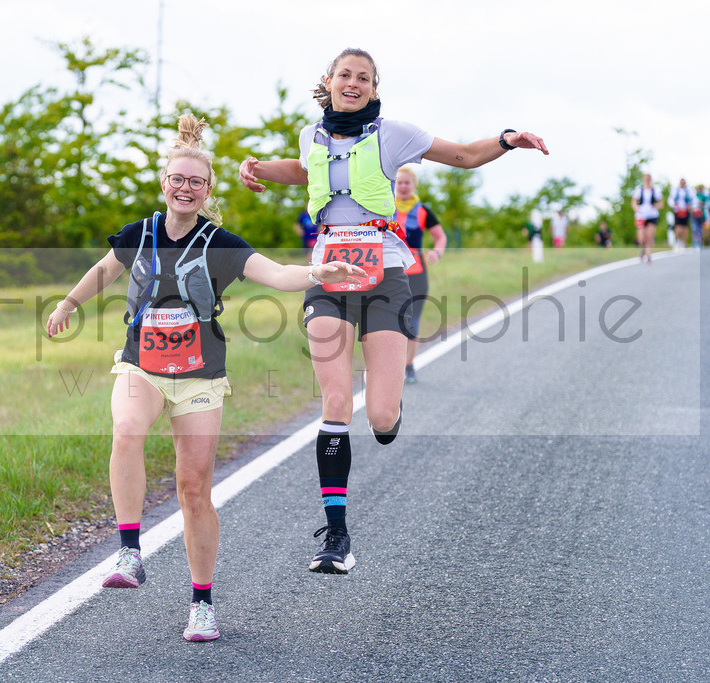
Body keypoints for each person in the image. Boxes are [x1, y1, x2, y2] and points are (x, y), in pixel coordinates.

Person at [46, 114, 364, 641]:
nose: (186, 188)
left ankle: (202, 602)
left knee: (194, 489)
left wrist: (317, 273)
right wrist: (68, 304)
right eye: (178, 179)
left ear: (207, 189)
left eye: (196, 181)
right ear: (164, 183)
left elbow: (277, 274)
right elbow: (104, 270)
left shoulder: (220, 243)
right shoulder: (138, 234)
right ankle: (129, 551)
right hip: (141, 364)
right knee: (126, 431)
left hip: (199, 376)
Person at [239, 47, 548, 574]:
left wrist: (506, 140)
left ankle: (391, 410)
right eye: (345, 75)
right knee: (335, 399)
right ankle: (336, 536)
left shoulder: (393, 134)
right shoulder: (311, 136)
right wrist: (259, 168)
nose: (353, 83)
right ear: (330, 82)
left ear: (374, 89)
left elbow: (464, 156)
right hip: (329, 272)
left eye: (363, 78)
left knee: (379, 417)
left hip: (384, 274)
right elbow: (306, 169)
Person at [392, 164, 446, 384]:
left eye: (407, 182)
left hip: (416, 271)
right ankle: (388, 367)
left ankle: (409, 365)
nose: (403, 186)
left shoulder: (423, 210)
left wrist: (437, 252)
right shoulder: (383, 206)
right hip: (389, 268)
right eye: (399, 182)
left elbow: (440, 237)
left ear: (414, 185)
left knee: (411, 321)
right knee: (387, 320)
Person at [631, 173, 662, 264]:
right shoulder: (639, 189)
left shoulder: (655, 190)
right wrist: (636, 209)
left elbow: (661, 203)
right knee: (641, 238)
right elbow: (634, 201)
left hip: (652, 215)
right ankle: (643, 251)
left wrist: (657, 206)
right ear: (643, 179)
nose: (647, 179)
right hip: (641, 216)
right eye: (646, 178)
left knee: (649, 236)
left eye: (649, 178)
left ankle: (649, 255)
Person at [669, 178, 695, 251]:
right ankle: (677, 242)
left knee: (685, 229)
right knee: (678, 228)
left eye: (683, 182)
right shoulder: (675, 191)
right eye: (681, 182)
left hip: (686, 212)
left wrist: (690, 206)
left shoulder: (689, 191)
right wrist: (675, 205)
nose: (682, 184)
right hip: (678, 212)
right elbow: (670, 200)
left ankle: (683, 243)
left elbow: (694, 200)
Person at [693, 183, 707, 250]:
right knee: (695, 229)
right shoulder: (694, 196)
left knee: (700, 230)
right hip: (695, 215)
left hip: (702, 215)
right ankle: (694, 243)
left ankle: (701, 243)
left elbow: (705, 204)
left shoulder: (703, 196)